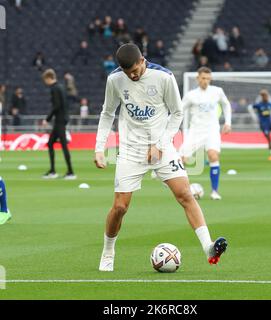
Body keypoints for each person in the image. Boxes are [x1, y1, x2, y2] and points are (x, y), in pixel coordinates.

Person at [94, 44, 228, 272]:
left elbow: (177, 113)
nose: (132, 75)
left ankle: (208, 247)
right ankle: (108, 251)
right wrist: (99, 147)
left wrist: (160, 144)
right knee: (120, 207)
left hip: (162, 147)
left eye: (135, 70)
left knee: (185, 194)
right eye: (127, 73)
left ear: (142, 60)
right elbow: (108, 113)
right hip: (130, 149)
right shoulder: (114, 80)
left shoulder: (164, 77)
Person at [179, 67, 232, 200]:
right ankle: (179, 187)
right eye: (203, 78)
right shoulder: (191, 95)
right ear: (198, 78)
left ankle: (215, 191)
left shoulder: (217, 91)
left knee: (213, 156)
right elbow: (179, 110)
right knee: (182, 160)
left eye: (208, 78)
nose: (206, 81)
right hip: (195, 131)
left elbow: (226, 105)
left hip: (212, 130)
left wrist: (228, 122)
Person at [42, 69, 76, 179]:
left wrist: (47, 119)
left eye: (45, 80)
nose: (45, 83)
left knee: (63, 146)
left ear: (48, 78)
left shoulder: (54, 89)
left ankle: (70, 172)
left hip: (59, 121)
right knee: (51, 143)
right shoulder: (60, 87)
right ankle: (53, 170)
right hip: (62, 119)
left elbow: (56, 106)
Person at [248, 90, 271, 161]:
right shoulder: (259, 105)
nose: (265, 97)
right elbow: (249, 107)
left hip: (270, 123)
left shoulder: (270, 104)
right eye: (263, 96)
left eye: (266, 95)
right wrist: (254, 118)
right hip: (263, 124)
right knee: (268, 139)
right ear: (261, 97)